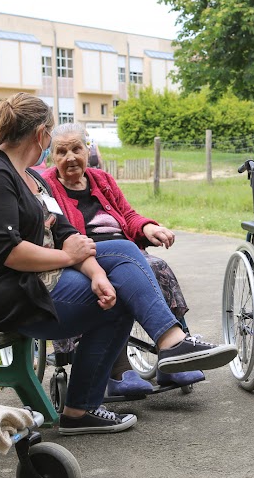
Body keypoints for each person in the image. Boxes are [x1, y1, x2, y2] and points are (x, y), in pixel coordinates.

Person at [0, 92, 237, 435]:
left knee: (120, 264)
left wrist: (96, 273)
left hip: (30, 283)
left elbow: (68, 234)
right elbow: (11, 252)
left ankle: (93, 400)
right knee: (120, 288)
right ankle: (162, 350)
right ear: (41, 134)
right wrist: (69, 258)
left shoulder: (32, 178)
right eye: (52, 137)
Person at [41, 123, 202, 397]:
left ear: (88, 150)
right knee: (119, 278)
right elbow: (56, 233)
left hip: (125, 249)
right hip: (84, 258)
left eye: (76, 149)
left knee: (156, 266)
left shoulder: (102, 179)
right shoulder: (46, 185)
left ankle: (172, 357)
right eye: (62, 151)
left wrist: (148, 227)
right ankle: (118, 370)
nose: (70, 157)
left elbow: (127, 214)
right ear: (52, 156)